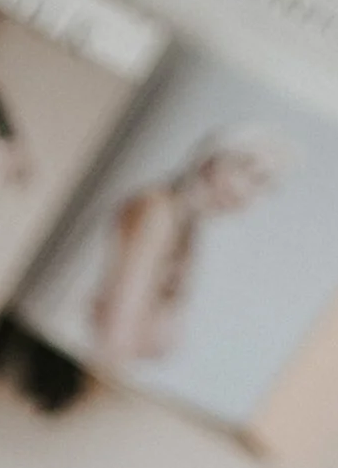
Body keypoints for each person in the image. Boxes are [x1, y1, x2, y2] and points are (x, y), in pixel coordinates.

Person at [85, 129, 291, 369]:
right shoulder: (159, 211)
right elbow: (119, 320)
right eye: (245, 168)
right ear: (211, 161)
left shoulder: (186, 225)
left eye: (264, 182)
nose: (248, 189)